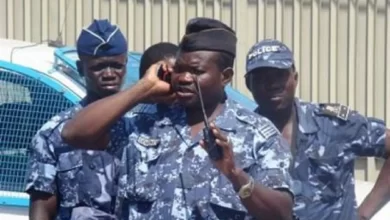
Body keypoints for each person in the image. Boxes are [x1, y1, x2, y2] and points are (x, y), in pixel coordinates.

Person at [61, 17, 295, 220]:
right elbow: (74, 134)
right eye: (179, 69)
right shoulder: (144, 123)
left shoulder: (257, 134)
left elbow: (281, 212)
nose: (183, 78)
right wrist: (141, 90)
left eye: (196, 72)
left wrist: (235, 174)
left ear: (225, 76)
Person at [245, 39, 390, 220]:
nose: (272, 84)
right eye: (261, 78)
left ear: (295, 78)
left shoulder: (332, 124)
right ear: (249, 85)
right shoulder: (240, 136)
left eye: (279, 75)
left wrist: (363, 214)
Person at [25, 19, 129, 220]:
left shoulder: (139, 127)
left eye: (116, 65)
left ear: (125, 65)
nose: (109, 74)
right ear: (81, 69)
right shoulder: (53, 135)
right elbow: (42, 208)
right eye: (99, 67)